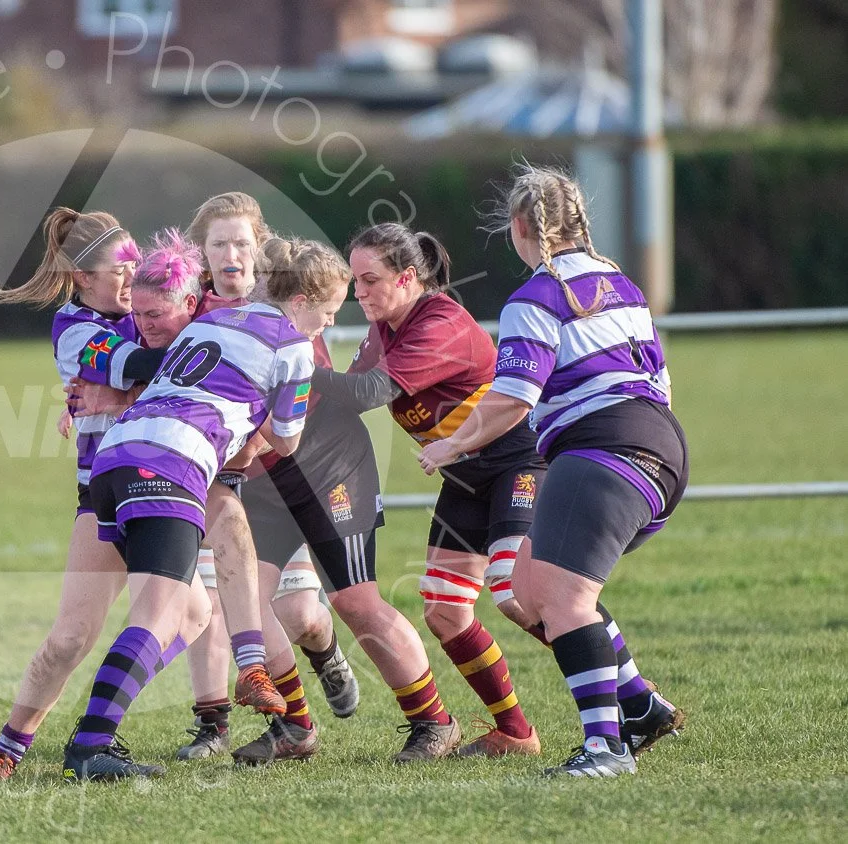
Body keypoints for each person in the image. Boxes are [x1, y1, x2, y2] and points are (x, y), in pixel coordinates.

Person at [418, 165, 687, 777]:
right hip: (659, 443)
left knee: (564, 599)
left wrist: (451, 444)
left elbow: (514, 395)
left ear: (520, 227)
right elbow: (662, 379)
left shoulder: (535, 298)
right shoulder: (621, 283)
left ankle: (606, 749)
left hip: (603, 449)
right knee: (531, 589)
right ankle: (639, 705)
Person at [59, 232, 341, 783]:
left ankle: (107, 724)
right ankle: (91, 745)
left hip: (113, 456)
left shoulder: (212, 321)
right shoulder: (293, 346)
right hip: (172, 464)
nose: (327, 325)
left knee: (195, 595)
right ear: (302, 301)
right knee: (159, 617)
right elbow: (286, 441)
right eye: (328, 313)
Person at [0, 213, 213, 782]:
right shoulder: (74, 329)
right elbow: (143, 366)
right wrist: (205, 348)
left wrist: (125, 394)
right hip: (103, 494)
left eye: (134, 263)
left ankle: (97, 721)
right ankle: (8, 750)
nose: (131, 275)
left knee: (194, 615)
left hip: (161, 483)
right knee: (72, 636)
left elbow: (143, 379)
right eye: (117, 268)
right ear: (80, 275)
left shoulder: (144, 311)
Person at [315, 222, 544, 758]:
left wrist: (297, 364)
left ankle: (622, 688)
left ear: (408, 277)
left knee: (519, 594)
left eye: (370, 280)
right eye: (354, 281)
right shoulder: (384, 326)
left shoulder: (438, 322)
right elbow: (343, 399)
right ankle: (515, 733)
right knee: (445, 611)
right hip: (465, 477)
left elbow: (370, 391)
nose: (359, 292)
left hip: (516, 462)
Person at [173, 195, 358, 763]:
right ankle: (224, 725)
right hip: (212, 481)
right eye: (219, 244)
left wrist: (252, 441)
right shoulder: (190, 311)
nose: (232, 255)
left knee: (299, 616)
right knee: (214, 607)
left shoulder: (294, 311)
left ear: (260, 247)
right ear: (203, 254)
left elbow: (299, 409)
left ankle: (325, 652)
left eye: (242, 243)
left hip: (279, 481)